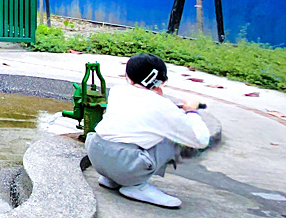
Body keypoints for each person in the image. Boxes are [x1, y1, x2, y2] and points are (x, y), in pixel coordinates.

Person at [85, 53, 210, 209]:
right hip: (126, 166)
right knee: (172, 138)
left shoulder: (118, 92)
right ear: (160, 82)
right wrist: (191, 111)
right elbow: (201, 140)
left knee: (129, 135)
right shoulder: (163, 106)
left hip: (96, 155)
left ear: (129, 77)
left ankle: (111, 179)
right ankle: (136, 186)